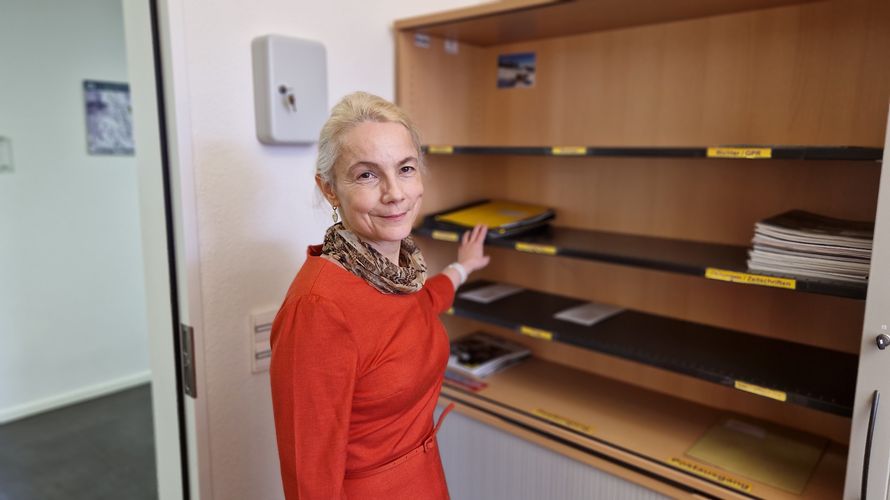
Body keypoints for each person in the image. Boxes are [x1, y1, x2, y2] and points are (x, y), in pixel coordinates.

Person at [269, 91, 490, 499]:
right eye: (367, 175)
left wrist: (464, 267)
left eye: (405, 169)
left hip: (425, 482)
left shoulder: (398, 273)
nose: (395, 193)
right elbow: (308, 471)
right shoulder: (318, 309)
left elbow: (423, 305)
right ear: (330, 189)